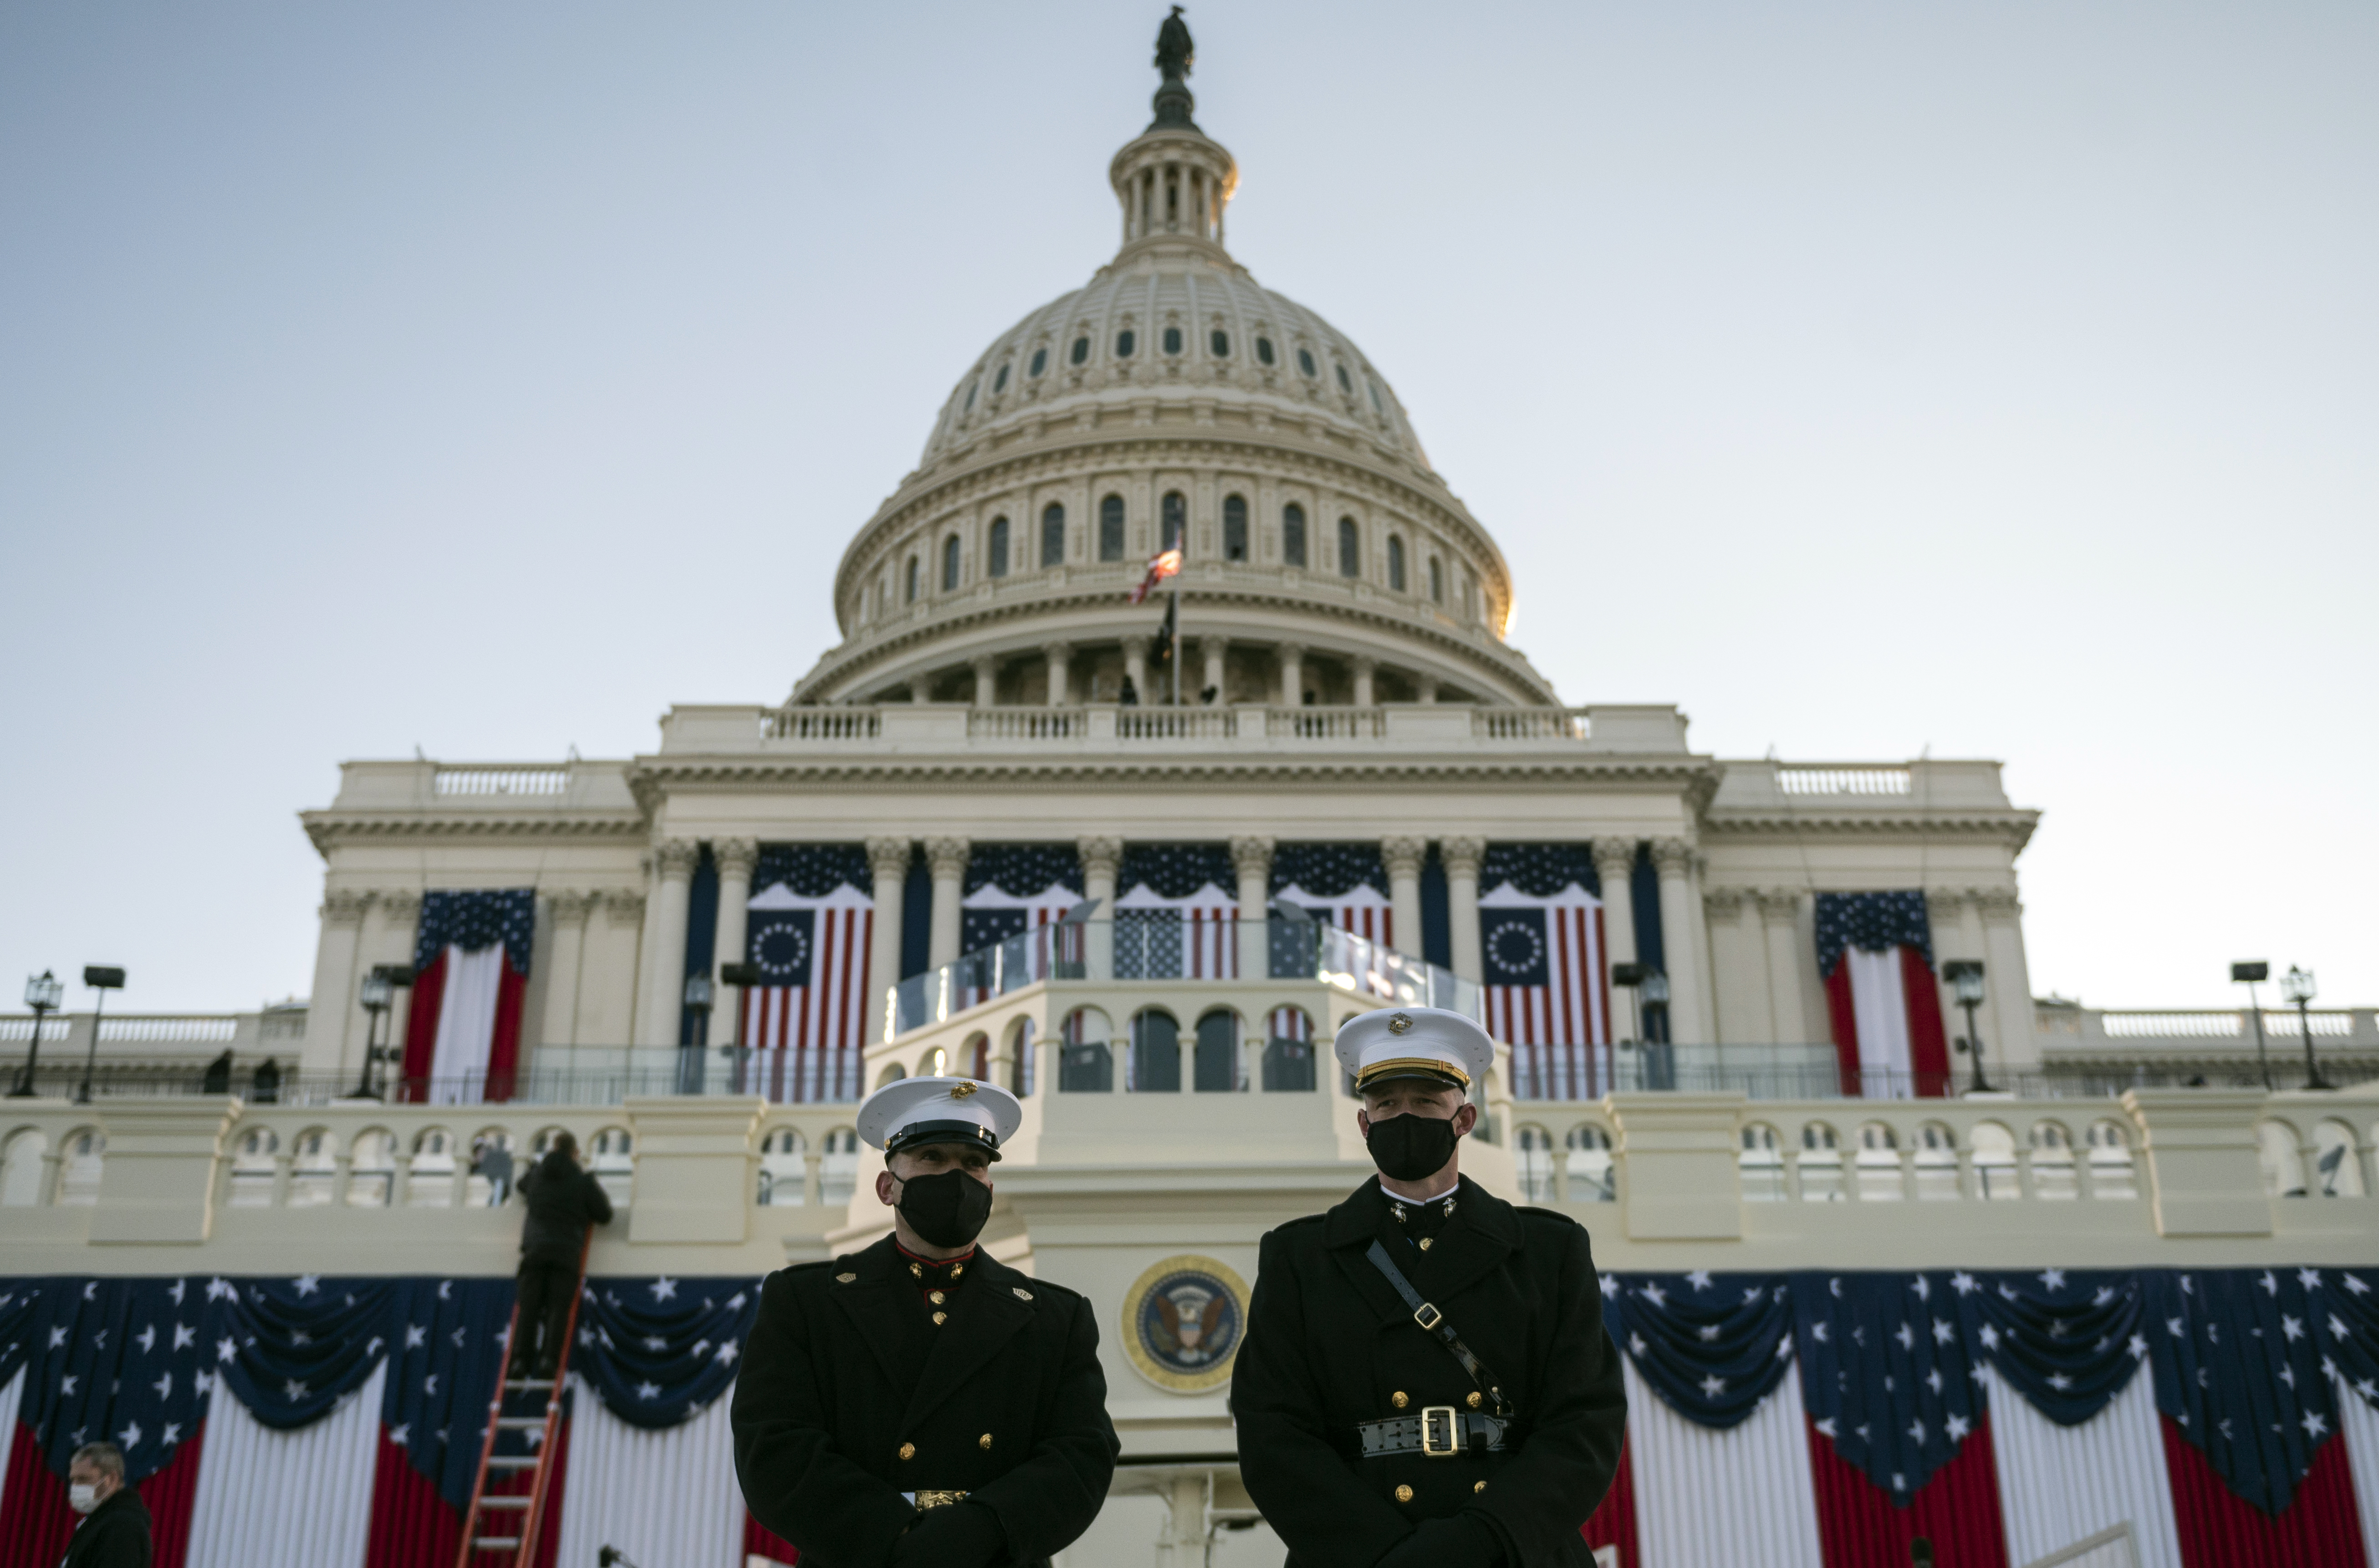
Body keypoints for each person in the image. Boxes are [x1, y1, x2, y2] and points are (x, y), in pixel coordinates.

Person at [1232, 1006, 1627, 1568]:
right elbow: (1273, 1433)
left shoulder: (1546, 1252)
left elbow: (1584, 1423)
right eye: (1386, 1104)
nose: (1404, 1115)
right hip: (1356, 1556)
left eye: (1425, 1101)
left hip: (1511, 1549)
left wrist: (1483, 1539)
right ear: (1365, 1125)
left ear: (1463, 1118)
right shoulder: (1300, 1259)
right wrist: (1383, 1553)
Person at [734, 1077, 1118, 1568]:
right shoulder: (808, 1302)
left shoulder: (1054, 1318)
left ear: (989, 1187)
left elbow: (1081, 1455)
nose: (955, 1176)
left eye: (973, 1162)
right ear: (887, 1186)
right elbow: (774, 1447)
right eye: (932, 1157)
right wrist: (894, 1533)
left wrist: (983, 1529)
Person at [511, 1130, 613, 1379]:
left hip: (535, 1250)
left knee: (529, 1307)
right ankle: (548, 1361)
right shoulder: (581, 1181)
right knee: (558, 1308)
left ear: (553, 1149)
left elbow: (520, 1185)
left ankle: (519, 1362)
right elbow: (604, 1215)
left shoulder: (537, 1175)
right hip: (566, 1252)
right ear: (575, 1153)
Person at [61, 1441, 150, 1568]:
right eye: (73, 1480)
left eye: (83, 1479)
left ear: (112, 1479)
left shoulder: (123, 1526)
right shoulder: (98, 1522)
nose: (75, 1487)